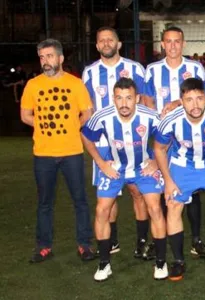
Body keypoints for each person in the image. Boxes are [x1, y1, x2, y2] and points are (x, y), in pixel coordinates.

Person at [81, 78, 167, 282]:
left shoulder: (150, 116)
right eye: (119, 98)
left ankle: (161, 263)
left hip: (143, 167)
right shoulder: (102, 117)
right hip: (115, 168)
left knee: (155, 208)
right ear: (113, 98)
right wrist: (102, 164)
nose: (124, 103)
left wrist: (155, 161)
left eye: (129, 98)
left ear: (137, 98)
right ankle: (104, 263)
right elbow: (85, 136)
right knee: (102, 209)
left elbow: (168, 136)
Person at [153, 78, 205, 281]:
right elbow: (159, 148)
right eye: (189, 100)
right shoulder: (170, 120)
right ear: (181, 100)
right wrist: (168, 180)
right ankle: (178, 261)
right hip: (183, 165)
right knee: (173, 205)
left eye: (200, 98)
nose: (195, 104)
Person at [20, 38, 95, 263]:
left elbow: (87, 112)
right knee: (45, 202)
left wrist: (72, 125)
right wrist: (44, 124)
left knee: (80, 200)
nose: (45, 61)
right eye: (42, 57)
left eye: (50, 56)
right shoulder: (33, 85)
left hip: (72, 152)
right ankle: (44, 246)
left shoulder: (75, 84)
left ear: (60, 58)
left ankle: (84, 245)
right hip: (43, 155)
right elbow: (25, 115)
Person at [143, 26, 205, 259]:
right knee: (163, 189)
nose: (172, 46)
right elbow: (148, 104)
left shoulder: (194, 68)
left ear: (183, 44)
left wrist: (176, 103)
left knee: (190, 190)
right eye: (168, 42)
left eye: (177, 41)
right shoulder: (152, 70)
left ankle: (196, 240)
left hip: (190, 137)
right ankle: (158, 238)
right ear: (163, 44)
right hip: (163, 140)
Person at [82, 26, 150, 259]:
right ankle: (111, 241)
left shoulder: (135, 69)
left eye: (111, 39)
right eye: (102, 40)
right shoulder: (89, 72)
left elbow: (147, 104)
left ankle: (142, 242)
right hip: (102, 142)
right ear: (97, 45)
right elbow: (88, 108)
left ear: (119, 43)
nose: (106, 43)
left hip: (134, 140)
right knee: (108, 196)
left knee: (137, 191)